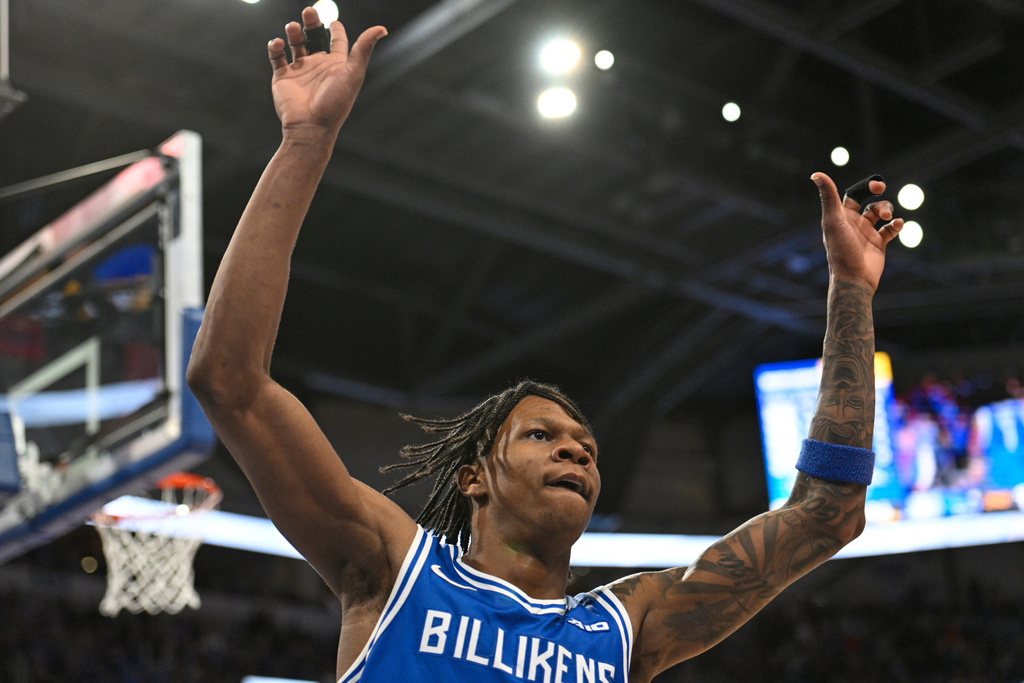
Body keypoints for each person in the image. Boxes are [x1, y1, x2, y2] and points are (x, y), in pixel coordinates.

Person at [185, 8, 904, 682]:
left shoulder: (625, 626)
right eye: (542, 435)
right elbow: (230, 382)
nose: (577, 453)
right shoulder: (393, 566)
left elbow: (829, 512)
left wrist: (849, 293)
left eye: (586, 448)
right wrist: (305, 142)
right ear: (474, 477)